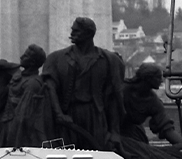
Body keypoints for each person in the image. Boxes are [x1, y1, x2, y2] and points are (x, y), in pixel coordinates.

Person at [42, 16, 125, 151]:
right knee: (68, 154)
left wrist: (115, 132)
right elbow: (50, 88)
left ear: (88, 34)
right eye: (72, 30)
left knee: (98, 154)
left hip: (95, 115)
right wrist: (59, 114)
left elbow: (113, 99)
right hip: (69, 114)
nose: (72, 34)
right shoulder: (56, 58)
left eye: (76, 31)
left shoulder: (109, 60)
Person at [114, 62, 182, 159]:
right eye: (158, 77)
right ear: (147, 78)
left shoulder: (153, 101)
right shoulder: (122, 91)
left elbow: (166, 127)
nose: (161, 81)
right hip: (113, 133)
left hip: (134, 137)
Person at [0, 44, 62, 148]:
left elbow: (23, 116)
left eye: (25, 56)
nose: (21, 57)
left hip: (22, 138)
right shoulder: (17, 79)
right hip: (8, 132)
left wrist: (14, 143)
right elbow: (7, 113)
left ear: (32, 62)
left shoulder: (33, 84)